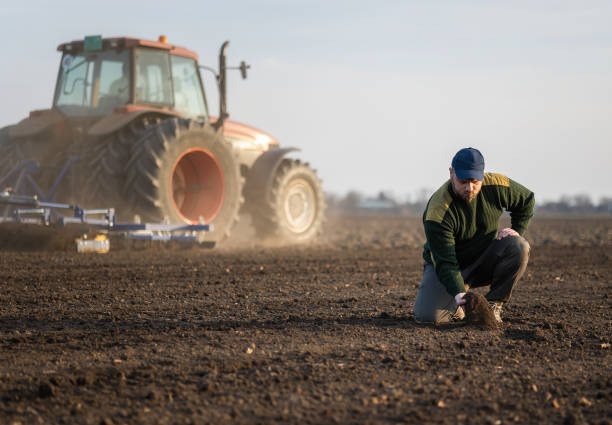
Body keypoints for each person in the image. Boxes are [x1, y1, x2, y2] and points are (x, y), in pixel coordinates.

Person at [414, 147, 534, 324]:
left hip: (482, 259)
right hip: (446, 265)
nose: (469, 188)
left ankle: (493, 307)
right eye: (463, 181)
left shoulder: (496, 185)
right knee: (428, 318)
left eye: (475, 181)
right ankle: (457, 304)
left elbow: (526, 199)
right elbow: (445, 262)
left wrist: (517, 229)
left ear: (483, 175)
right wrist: (459, 294)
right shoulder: (438, 211)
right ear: (451, 173)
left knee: (519, 246)